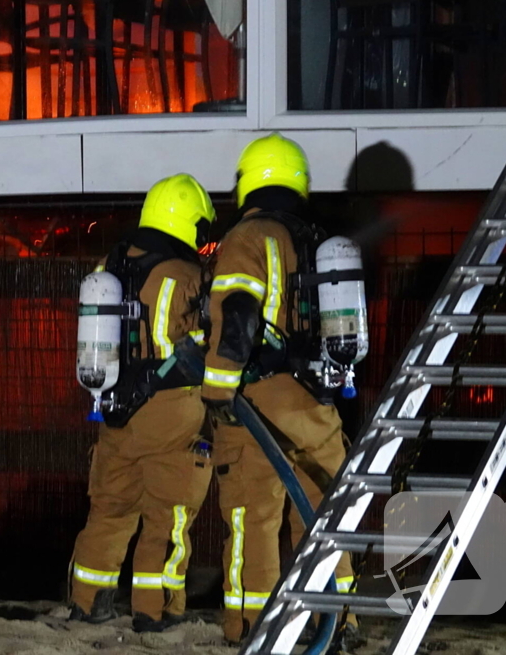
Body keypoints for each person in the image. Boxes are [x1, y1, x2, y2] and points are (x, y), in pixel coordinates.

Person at [200, 134, 364, 649]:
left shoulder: (249, 237)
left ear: (248, 181)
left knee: (253, 519)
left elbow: (238, 312)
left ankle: (253, 629)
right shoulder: (315, 239)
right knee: (325, 515)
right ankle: (339, 623)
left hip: (258, 404)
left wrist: (218, 386)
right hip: (316, 403)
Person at [69, 173, 217, 633]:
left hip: (113, 408)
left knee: (109, 511)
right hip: (170, 409)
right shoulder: (188, 275)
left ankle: (87, 603)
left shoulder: (108, 265)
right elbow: (211, 338)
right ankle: (156, 613)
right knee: (168, 518)